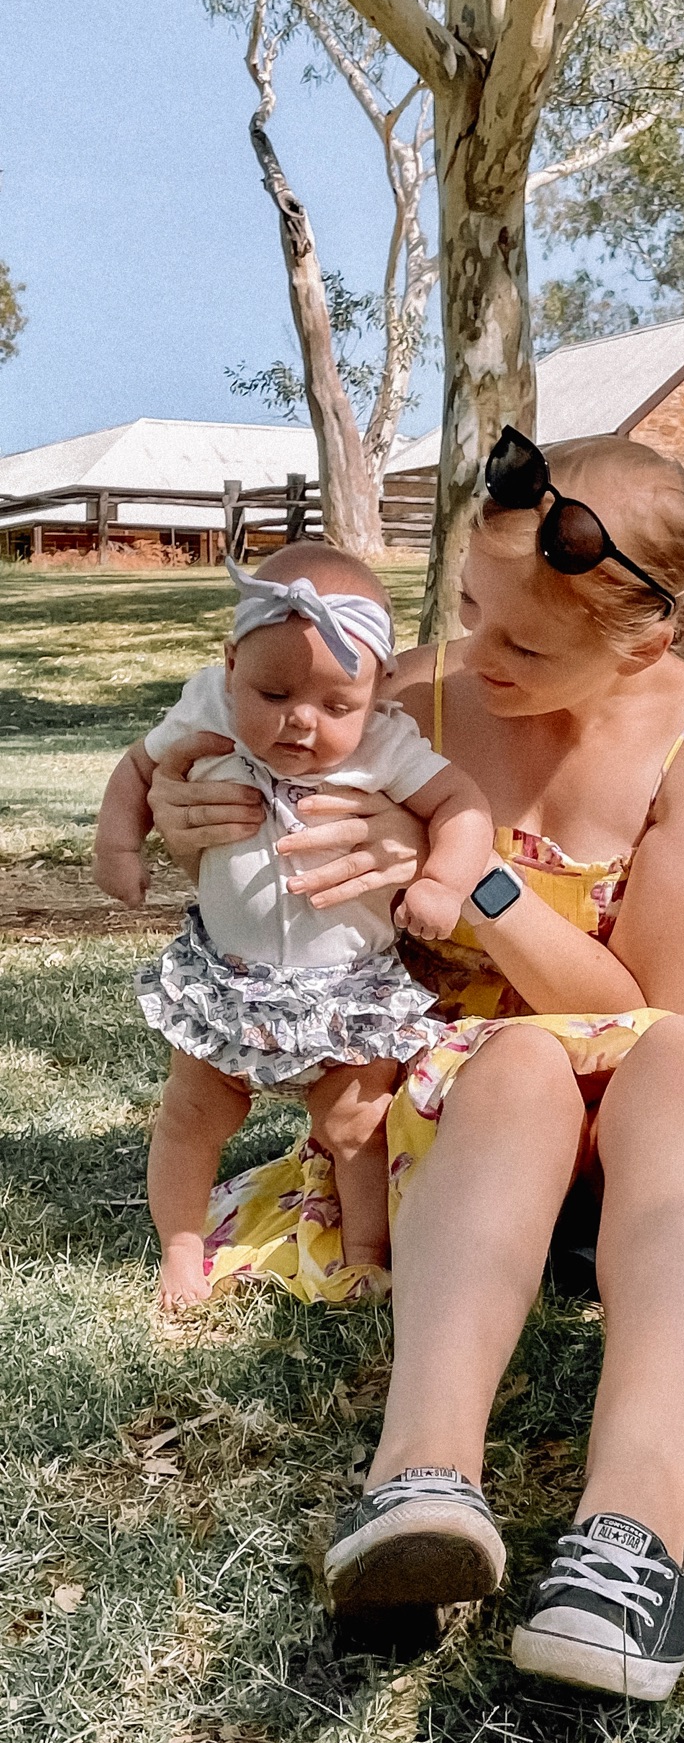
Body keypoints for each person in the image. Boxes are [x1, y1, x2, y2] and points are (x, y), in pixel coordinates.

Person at [145, 433, 684, 1700]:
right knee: (518, 1067)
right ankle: (419, 1482)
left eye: (524, 645)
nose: (477, 654)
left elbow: (642, 1006)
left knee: (674, 1056)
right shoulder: (412, 693)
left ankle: (635, 1530)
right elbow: (244, 781)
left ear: (642, 640)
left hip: (655, 1093)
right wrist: (184, 812)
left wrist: (474, 877)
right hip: (468, 1086)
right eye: (471, 608)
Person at [95, 544, 492, 1308]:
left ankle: (366, 1252)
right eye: (272, 692)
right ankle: (180, 1250)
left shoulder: (385, 743)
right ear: (230, 664)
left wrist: (443, 880)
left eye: (336, 706)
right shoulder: (207, 708)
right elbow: (139, 768)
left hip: (349, 987)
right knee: (192, 1114)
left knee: (356, 1123)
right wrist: (117, 847)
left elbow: (462, 804)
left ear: (377, 690)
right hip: (228, 978)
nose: (301, 721)